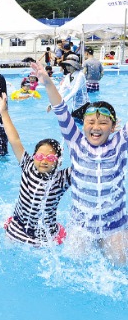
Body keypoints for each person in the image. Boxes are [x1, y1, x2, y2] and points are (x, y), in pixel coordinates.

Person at [32, 60, 127, 266]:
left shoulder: (120, 143)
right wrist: (47, 81)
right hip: (82, 226)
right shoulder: (75, 141)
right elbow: (60, 109)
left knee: (120, 268)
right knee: (73, 267)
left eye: (103, 123)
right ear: (82, 124)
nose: (96, 127)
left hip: (114, 224)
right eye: (90, 122)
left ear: (113, 127)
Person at [0, 93, 71, 246]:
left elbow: (86, 166)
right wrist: (4, 112)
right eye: (40, 156)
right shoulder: (28, 165)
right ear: (34, 156)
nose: (44, 161)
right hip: (18, 225)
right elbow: (14, 139)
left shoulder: (61, 178)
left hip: (44, 232)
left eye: (50, 158)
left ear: (58, 161)